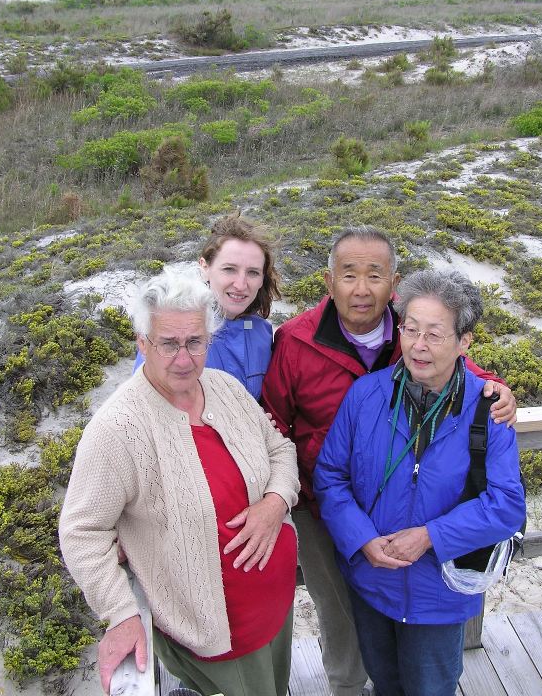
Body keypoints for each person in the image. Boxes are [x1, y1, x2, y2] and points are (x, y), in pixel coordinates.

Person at [261, 226, 517, 696]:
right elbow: (279, 430)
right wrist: (349, 530)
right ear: (328, 280)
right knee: (347, 629)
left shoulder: (444, 365)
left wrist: (495, 389)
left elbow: (447, 361)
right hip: (334, 521)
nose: (362, 289)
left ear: (393, 283)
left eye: (374, 275)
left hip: (429, 567)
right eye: (349, 274)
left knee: (428, 676)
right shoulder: (299, 344)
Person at [60, 263, 299, 696]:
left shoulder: (225, 387)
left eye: (195, 341)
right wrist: (121, 613)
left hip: (278, 609)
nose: (184, 358)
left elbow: (280, 449)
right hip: (214, 636)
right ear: (142, 343)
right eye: (168, 344)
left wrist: (275, 503)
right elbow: (81, 531)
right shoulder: (118, 428)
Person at [133, 213, 280, 400]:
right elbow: (145, 406)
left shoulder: (263, 332)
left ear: (262, 279)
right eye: (229, 269)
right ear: (204, 267)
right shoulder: (175, 329)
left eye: (253, 272)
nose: (241, 285)